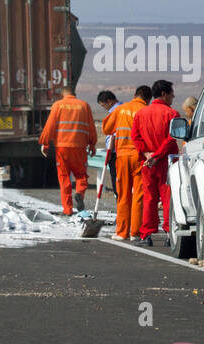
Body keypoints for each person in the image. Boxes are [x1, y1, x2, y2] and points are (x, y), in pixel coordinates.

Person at [130, 79, 179, 246]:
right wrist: (158, 155)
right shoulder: (172, 114)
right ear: (164, 94)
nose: (173, 96)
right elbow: (172, 139)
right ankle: (168, 234)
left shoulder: (141, 114)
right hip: (165, 162)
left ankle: (146, 235)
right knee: (167, 198)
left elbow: (135, 137)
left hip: (148, 163)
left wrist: (148, 154)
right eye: (171, 93)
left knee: (149, 198)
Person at [39, 86, 96, 215]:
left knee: (64, 178)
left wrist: (45, 143)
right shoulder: (84, 105)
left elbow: (50, 126)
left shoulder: (58, 105)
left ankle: (68, 210)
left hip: (62, 148)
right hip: (80, 147)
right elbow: (91, 126)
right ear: (74, 94)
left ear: (62, 95)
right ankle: (80, 194)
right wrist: (92, 144)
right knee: (81, 175)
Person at [108, 85, 151, 240]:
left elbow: (107, 128)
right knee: (139, 195)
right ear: (148, 99)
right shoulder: (147, 111)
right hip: (140, 157)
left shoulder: (121, 109)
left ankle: (122, 232)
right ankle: (136, 233)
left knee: (123, 194)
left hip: (123, 156)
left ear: (135, 95)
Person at [96, 90, 119, 195]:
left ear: (109, 101)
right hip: (124, 151)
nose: (104, 108)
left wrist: (109, 153)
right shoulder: (125, 108)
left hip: (116, 152)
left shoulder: (115, 112)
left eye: (103, 105)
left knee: (117, 182)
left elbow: (113, 134)